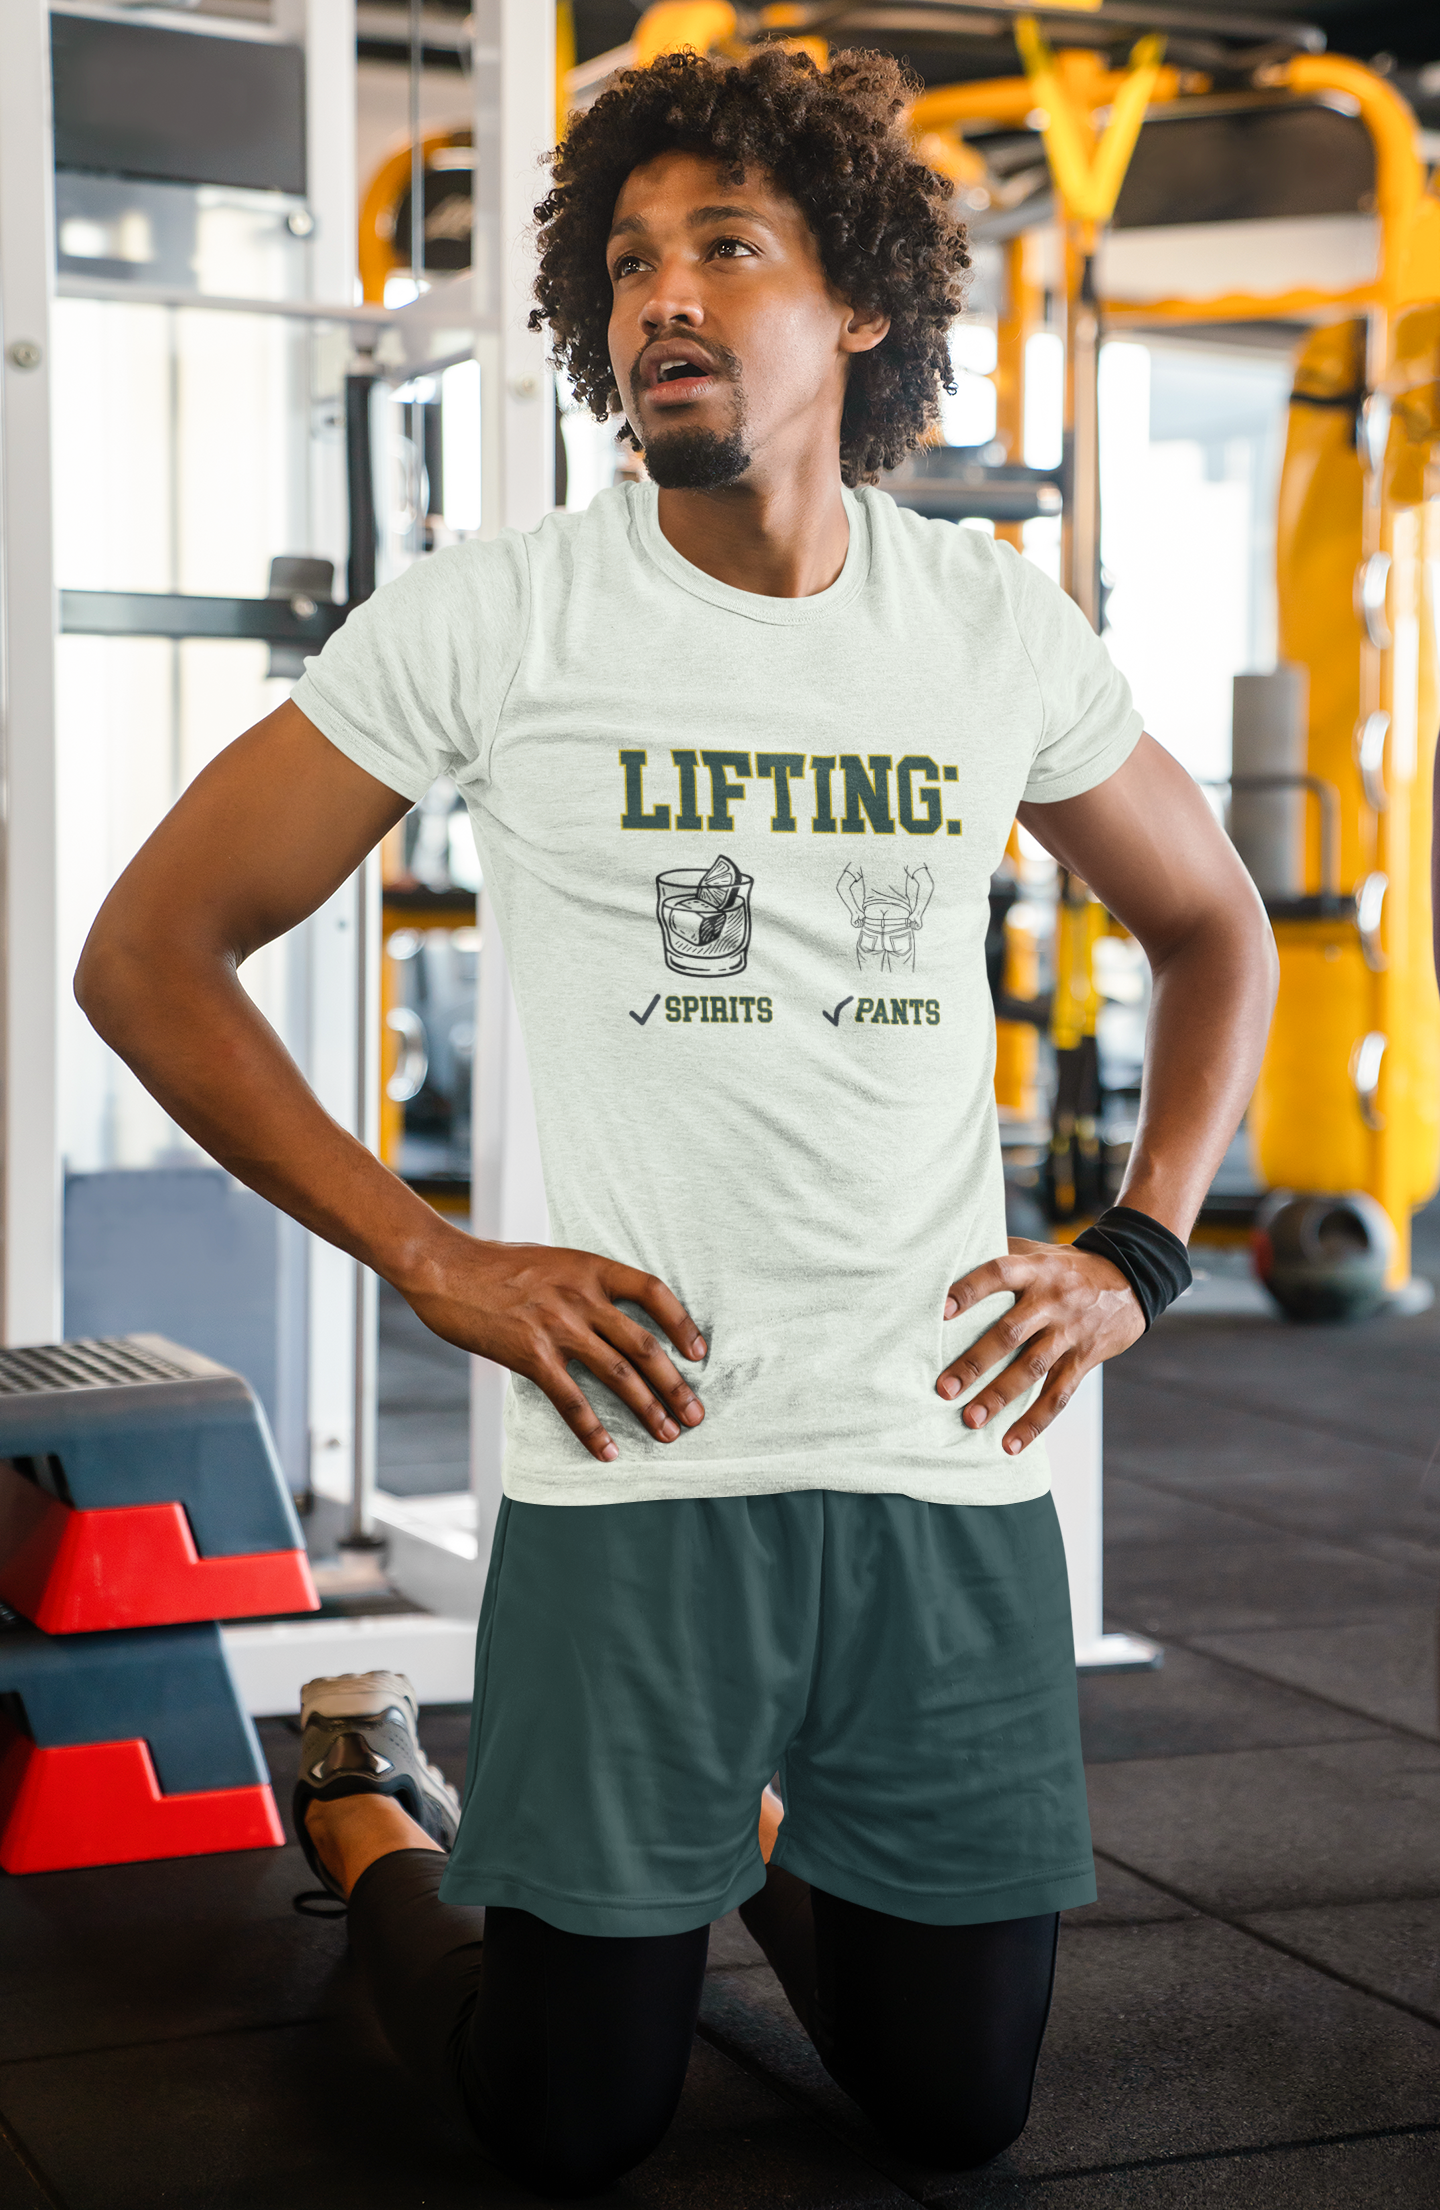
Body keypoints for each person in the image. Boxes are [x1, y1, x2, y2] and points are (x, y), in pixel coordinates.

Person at [76, 44, 1276, 2202]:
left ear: (864, 307)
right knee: (572, 2115)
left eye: (729, 245)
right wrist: (433, 1253)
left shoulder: (988, 624)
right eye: (628, 260)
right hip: (645, 1465)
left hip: (939, 1460)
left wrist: (1140, 1250)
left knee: (959, 2108)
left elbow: (1214, 925)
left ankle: (722, 1826)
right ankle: (367, 1799)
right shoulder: (506, 614)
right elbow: (150, 951)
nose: (663, 298)